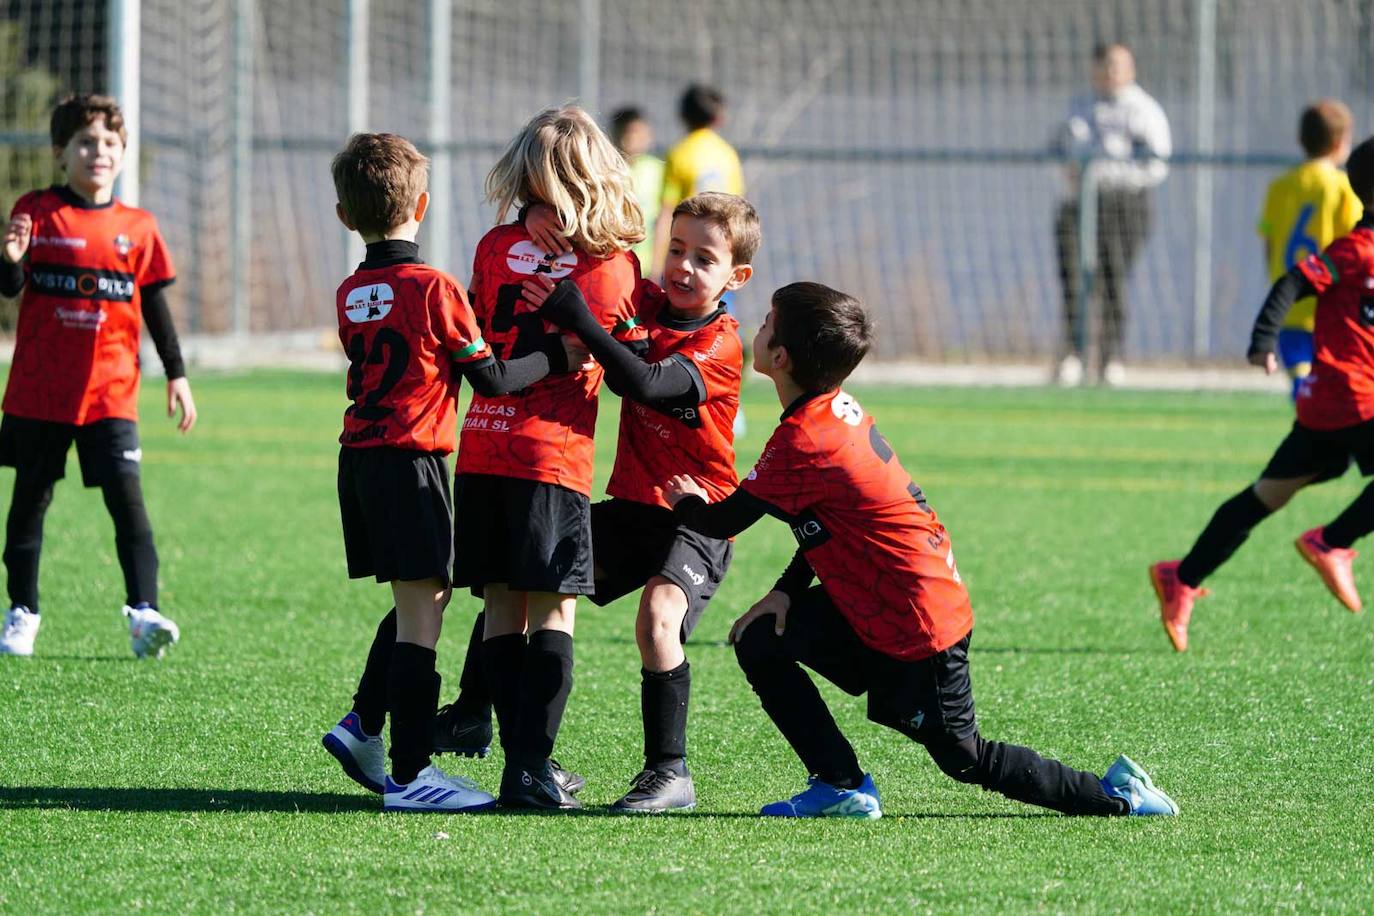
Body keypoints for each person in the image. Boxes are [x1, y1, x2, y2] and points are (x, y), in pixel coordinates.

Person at [663, 281, 1178, 819]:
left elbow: (722, 521)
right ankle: (840, 786)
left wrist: (684, 503)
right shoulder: (829, 411)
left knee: (963, 756)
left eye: (766, 322)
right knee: (760, 638)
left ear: (782, 356)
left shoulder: (803, 440)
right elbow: (823, 521)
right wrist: (785, 592)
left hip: (918, 624)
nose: (757, 328)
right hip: (881, 606)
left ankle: (1116, 795)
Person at [435, 192, 759, 813]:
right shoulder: (646, 302)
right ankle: (474, 713)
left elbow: (642, 381)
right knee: (526, 576)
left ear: (735, 277)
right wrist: (535, 214)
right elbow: (587, 263)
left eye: (705, 259)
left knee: (657, 621)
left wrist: (579, 320)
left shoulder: (720, 346)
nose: (684, 267)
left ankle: (670, 773)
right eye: (678, 250)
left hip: (699, 513)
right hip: (632, 508)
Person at [320, 132, 579, 812]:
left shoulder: (351, 292)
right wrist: (559, 356)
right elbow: (491, 378)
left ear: (345, 217)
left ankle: (367, 733)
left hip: (359, 461)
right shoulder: (434, 288)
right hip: (413, 461)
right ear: (424, 205)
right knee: (421, 622)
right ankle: (409, 776)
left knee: (418, 602)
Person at [452, 106, 647, 810]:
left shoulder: (493, 245)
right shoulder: (612, 263)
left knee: (503, 609)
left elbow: (478, 326)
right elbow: (623, 352)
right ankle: (532, 767)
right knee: (555, 614)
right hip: (550, 454)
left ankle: (521, 765)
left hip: (483, 440)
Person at [1150, 137, 1374, 652]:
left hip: (1334, 407)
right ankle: (1332, 540)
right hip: (1347, 396)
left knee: (1266, 497)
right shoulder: (1357, 249)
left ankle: (1181, 576)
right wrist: (1262, 341)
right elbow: (1294, 282)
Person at [0, 94, 194, 659]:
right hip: (39, 394)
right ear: (62, 153)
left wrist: (177, 375)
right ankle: (22, 612)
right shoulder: (36, 211)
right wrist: (10, 260)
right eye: (86, 142)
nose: (98, 152)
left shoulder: (138, 226)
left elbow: (155, 306)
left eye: (109, 142)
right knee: (29, 503)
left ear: (123, 152)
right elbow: (10, 291)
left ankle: (144, 613)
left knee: (128, 504)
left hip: (111, 392)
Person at [1053, 43, 1171, 387]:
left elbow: (1155, 163)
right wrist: (1071, 171)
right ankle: (1073, 354)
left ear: (1130, 69)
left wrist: (1111, 176)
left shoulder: (1143, 111)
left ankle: (1111, 358)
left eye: (1118, 66)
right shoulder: (1080, 106)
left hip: (1124, 204)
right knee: (1073, 278)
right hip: (1080, 202)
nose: (1111, 73)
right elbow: (1058, 148)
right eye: (1105, 66)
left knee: (1113, 277)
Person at [1257, 100, 1362, 400]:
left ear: (1301, 140)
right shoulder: (1342, 187)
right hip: (1329, 302)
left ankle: (1306, 410)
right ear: (1341, 143)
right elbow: (1355, 242)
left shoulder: (1280, 187)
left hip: (1289, 300)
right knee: (1334, 381)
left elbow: (1269, 240)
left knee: (1302, 377)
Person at [651, 85, 745, 283]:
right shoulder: (728, 154)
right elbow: (738, 211)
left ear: (683, 115)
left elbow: (666, 212)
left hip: (686, 256)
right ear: (718, 118)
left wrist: (656, 265)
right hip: (719, 257)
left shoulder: (679, 153)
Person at [610, 107, 665, 278]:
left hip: (650, 265)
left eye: (640, 133)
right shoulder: (607, 171)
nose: (633, 139)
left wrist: (658, 263)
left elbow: (665, 218)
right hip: (614, 262)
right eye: (629, 132)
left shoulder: (658, 170)